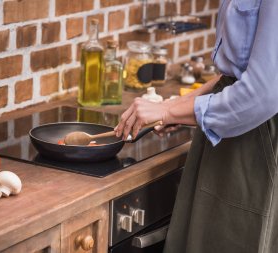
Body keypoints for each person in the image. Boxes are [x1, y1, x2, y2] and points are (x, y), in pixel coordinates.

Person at [114, 1, 278, 252]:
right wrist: (177, 107)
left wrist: (169, 111)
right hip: (234, 132)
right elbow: (234, 74)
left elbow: (262, 94)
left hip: (255, 142)